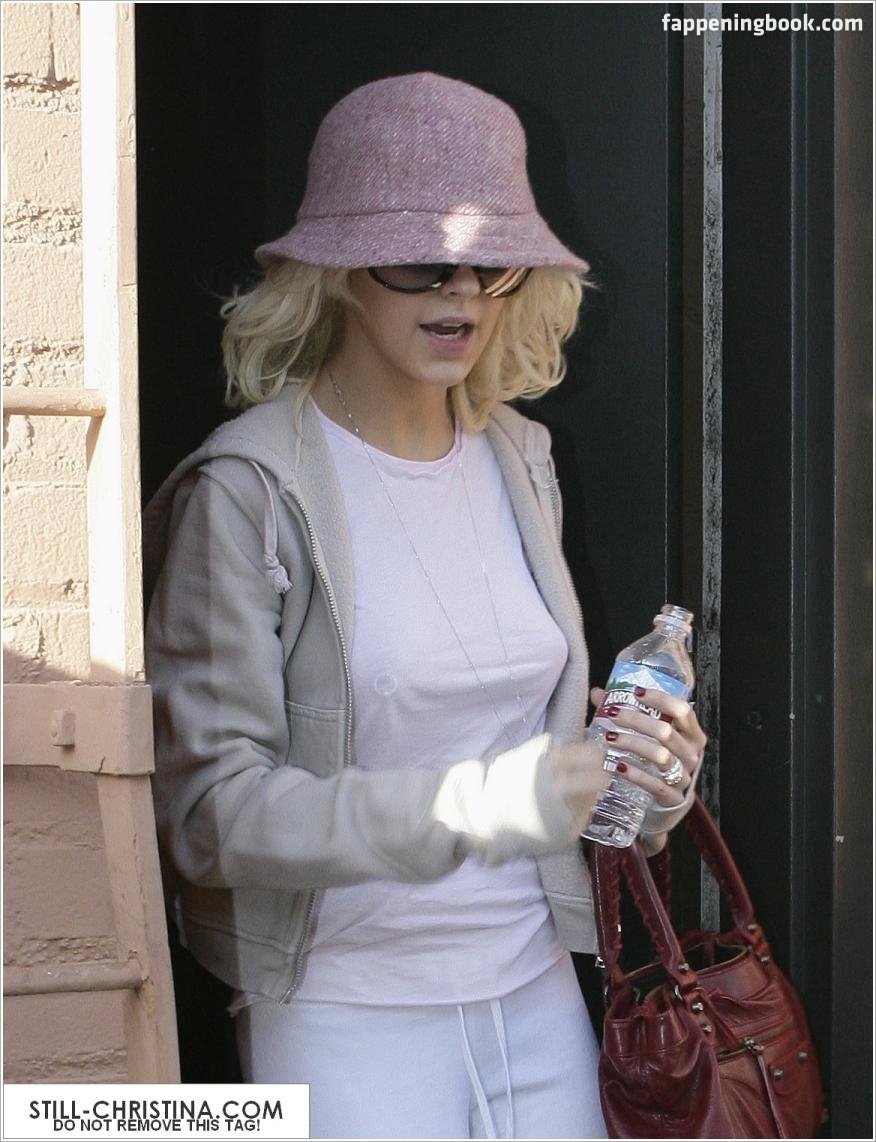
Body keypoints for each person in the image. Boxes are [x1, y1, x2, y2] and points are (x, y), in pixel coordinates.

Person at [144, 72, 707, 1140]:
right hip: (342, 1006)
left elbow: (544, 767)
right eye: (417, 261)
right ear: (337, 271)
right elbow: (212, 815)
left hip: (535, 984)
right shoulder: (251, 488)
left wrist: (644, 782)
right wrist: (488, 803)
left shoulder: (519, 457)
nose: (460, 292)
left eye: (492, 264)